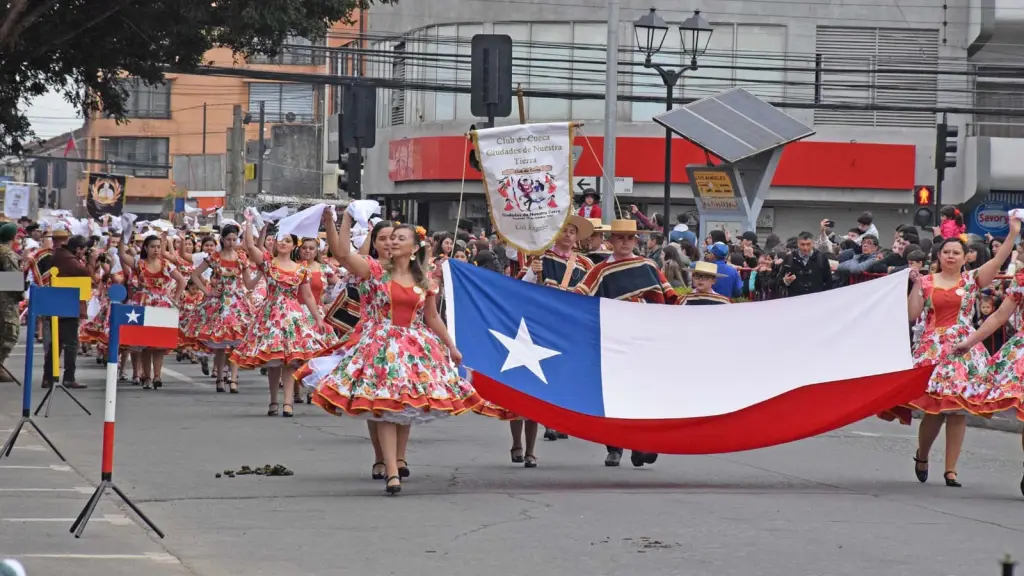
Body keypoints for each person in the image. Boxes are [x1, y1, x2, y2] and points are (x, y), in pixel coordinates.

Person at [308, 209, 484, 495]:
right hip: (380, 345)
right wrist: (341, 220)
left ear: (415, 248)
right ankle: (391, 470)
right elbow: (341, 254)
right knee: (386, 408)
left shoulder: (425, 280)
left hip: (414, 348)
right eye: (389, 239)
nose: (392, 242)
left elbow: (433, 317)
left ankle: (397, 460)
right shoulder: (374, 270)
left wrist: (451, 346)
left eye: (400, 239)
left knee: (405, 405)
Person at [881, 217, 1019, 489]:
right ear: (939, 256)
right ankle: (922, 455)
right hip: (933, 349)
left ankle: (951, 470)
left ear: (965, 256)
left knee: (957, 411)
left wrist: (1013, 234)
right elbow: (912, 314)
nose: (951, 256)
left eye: (956, 252)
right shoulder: (928, 282)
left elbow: (998, 260)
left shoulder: (971, 280)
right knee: (935, 411)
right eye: (947, 252)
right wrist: (915, 286)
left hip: (964, 349)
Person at [573, 219, 679, 467]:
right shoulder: (600, 270)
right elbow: (578, 299)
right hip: (614, 340)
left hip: (644, 339)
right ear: (610, 241)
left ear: (635, 241)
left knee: (642, 393)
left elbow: (668, 298)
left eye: (629, 237)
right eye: (619, 237)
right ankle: (615, 446)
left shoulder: (648, 265)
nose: (624, 242)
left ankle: (641, 445)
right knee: (616, 395)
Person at [42, 232, 91, 389]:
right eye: (84, 249)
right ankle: (68, 377)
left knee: (57, 343)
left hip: (59, 305)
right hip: (67, 306)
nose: (85, 252)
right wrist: (92, 260)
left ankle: (48, 377)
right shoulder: (69, 260)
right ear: (78, 249)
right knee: (70, 343)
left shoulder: (61, 255)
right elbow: (87, 274)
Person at [0, 223, 21, 381]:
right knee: (10, 333)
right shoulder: (7, 254)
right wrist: (21, 294)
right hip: (5, 299)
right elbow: (12, 280)